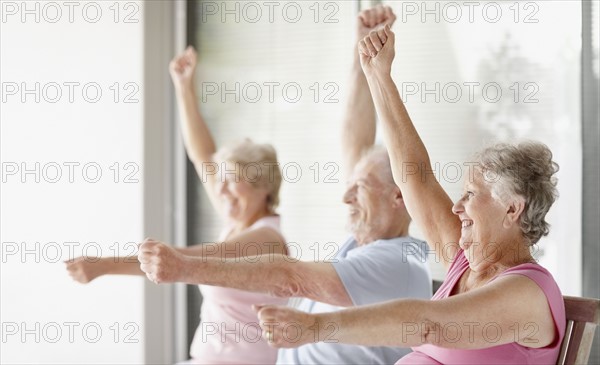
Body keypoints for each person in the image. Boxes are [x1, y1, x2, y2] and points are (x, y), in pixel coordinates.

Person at [255, 24, 566, 365]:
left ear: (512, 209)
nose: (458, 206)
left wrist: (316, 327)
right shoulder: (465, 264)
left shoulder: (526, 293)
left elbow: (429, 325)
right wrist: (378, 75)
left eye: (472, 194)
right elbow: (414, 177)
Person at [138, 5, 432, 365]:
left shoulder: (395, 260)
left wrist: (181, 267)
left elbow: (289, 275)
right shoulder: (367, 242)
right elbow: (355, 139)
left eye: (360, 187)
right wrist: (363, 58)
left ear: (398, 196)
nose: (345, 195)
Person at [66, 47, 289, 364]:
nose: (220, 189)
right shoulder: (238, 218)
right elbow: (202, 154)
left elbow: (184, 260)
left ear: (263, 186)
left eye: (232, 179)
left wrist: (105, 265)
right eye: (220, 179)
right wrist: (184, 86)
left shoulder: (265, 239)